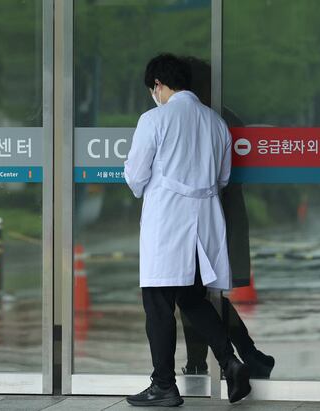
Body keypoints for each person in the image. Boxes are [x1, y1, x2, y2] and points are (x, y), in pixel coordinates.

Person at [124, 53, 251, 407]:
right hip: (203, 226)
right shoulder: (216, 123)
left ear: (158, 85)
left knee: (158, 305)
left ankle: (164, 385)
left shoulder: (154, 120)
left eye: (153, 89)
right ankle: (230, 363)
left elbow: (135, 177)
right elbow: (223, 178)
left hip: (167, 223)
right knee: (193, 299)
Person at [180, 56, 275, 379]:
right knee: (199, 294)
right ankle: (242, 357)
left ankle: (222, 360)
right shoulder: (223, 117)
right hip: (216, 215)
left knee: (196, 294)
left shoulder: (211, 120)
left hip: (211, 218)